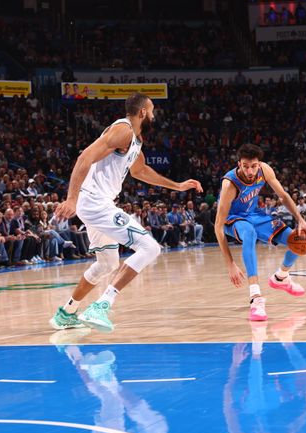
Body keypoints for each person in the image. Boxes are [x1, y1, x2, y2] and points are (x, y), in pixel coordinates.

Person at [50, 93, 201, 332]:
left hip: (97, 203)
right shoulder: (124, 130)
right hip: (94, 201)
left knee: (107, 264)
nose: (154, 115)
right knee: (150, 247)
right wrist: (71, 198)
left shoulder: (136, 140)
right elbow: (84, 157)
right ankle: (102, 305)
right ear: (142, 112)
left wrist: (178, 185)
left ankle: (66, 312)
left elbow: (141, 171)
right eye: (152, 111)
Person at [214, 143, 306, 322]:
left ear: (259, 164)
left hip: (254, 215)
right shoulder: (229, 184)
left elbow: (283, 196)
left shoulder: (265, 170)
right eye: (245, 166)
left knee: (297, 239)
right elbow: (218, 225)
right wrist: (230, 263)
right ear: (239, 164)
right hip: (233, 218)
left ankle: (281, 277)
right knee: (249, 233)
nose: (250, 171)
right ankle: (255, 298)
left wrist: (301, 220)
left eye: (253, 166)